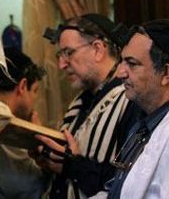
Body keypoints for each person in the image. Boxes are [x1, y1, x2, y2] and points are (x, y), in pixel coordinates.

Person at [32, 14, 140, 199]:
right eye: (60, 55)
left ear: (98, 49)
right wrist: (50, 160)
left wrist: (73, 165)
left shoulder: (130, 100)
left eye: (68, 52)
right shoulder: (80, 100)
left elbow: (130, 181)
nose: (61, 64)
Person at [97, 19, 169, 199]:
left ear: (166, 74)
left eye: (132, 63)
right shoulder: (141, 125)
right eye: (122, 61)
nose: (120, 72)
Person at [0, 47, 48, 199]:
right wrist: (37, 136)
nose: (35, 99)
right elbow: (26, 185)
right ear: (22, 86)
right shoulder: (2, 119)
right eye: (34, 90)